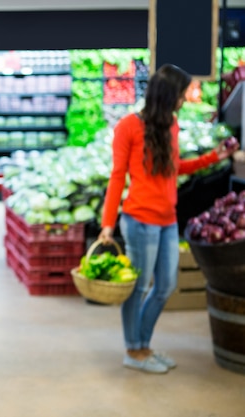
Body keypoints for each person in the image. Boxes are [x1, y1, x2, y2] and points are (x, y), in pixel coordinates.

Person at [97, 63, 239, 374]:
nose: (184, 99)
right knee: (138, 287)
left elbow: (174, 169)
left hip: (167, 220)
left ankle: (143, 345)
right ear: (167, 94)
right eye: (181, 93)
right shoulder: (128, 127)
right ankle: (134, 350)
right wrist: (107, 224)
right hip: (139, 222)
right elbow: (117, 177)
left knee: (165, 286)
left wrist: (214, 158)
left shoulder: (170, 125)